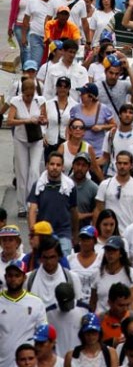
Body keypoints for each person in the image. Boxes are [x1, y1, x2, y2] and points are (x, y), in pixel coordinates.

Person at [7, 76, 46, 217]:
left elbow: (45, 119)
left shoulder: (40, 100)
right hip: (21, 139)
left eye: (31, 95)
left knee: (34, 170)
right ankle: (21, 205)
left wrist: (41, 120)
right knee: (22, 172)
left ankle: (32, 203)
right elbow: (10, 121)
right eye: (27, 95)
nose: (29, 98)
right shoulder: (15, 102)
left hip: (36, 139)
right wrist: (26, 121)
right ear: (22, 92)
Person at [27, 152, 78, 253]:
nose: (55, 167)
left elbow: (74, 211)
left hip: (63, 232)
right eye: (52, 164)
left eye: (58, 165)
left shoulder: (70, 186)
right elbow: (32, 210)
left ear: (62, 167)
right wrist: (33, 234)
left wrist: (75, 234)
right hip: (43, 232)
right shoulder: (38, 185)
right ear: (46, 165)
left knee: (64, 262)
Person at [0, 261, 47, 367]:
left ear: (24, 277)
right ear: (5, 277)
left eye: (17, 275)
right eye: (10, 275)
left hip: (28, 362)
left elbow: (42, 334)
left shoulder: (36, 302)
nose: (13, 279)